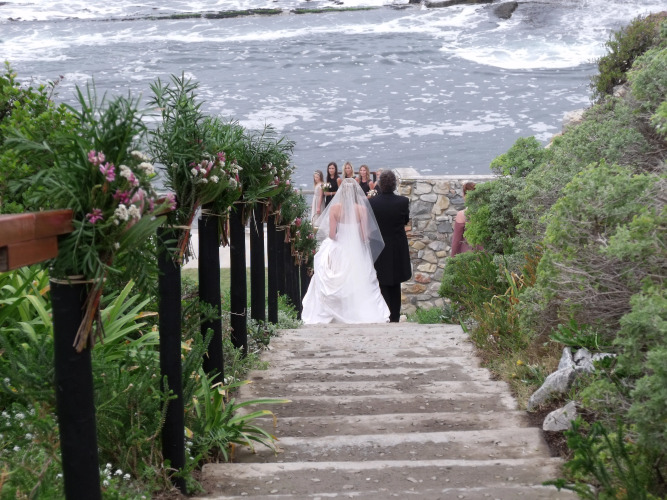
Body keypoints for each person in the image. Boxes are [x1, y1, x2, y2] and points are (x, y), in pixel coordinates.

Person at [302, 178, 390, 324]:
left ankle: (334, 313)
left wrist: (340, 237)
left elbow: (332, 234)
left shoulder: (334, 208)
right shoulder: (362, 209)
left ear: (341, 193)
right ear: (356, 193)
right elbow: (364, 235)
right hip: (356, 249)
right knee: (360, 279)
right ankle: (359, 312)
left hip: (339, 247)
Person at [369, 170, 411, 322]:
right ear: (394, 184)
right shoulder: (403, 202)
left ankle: (384, 315)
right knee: (396, 282)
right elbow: (405, 220)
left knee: (382, 282)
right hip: (397, 246)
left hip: (379, 246)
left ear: (380, 184)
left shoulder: (372, 203)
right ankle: (395, 316)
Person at [450, 181, 479, 257]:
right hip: (486, 257)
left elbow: (456, 241)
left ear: (464, 196)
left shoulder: (462, 215)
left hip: (468, 256)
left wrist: (452, 259)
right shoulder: (487, 213)